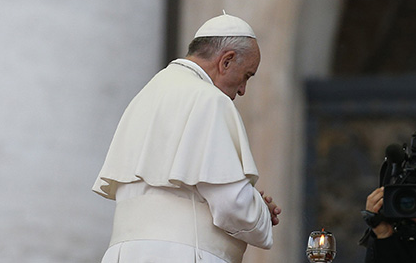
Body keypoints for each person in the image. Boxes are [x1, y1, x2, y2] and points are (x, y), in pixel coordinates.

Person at [92, 13, 281, 263]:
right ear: (226, 61)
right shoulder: (210, 101)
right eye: (246, 75)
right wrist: (261, 212)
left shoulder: (144, 96)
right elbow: (231, 204)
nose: (243, 90)